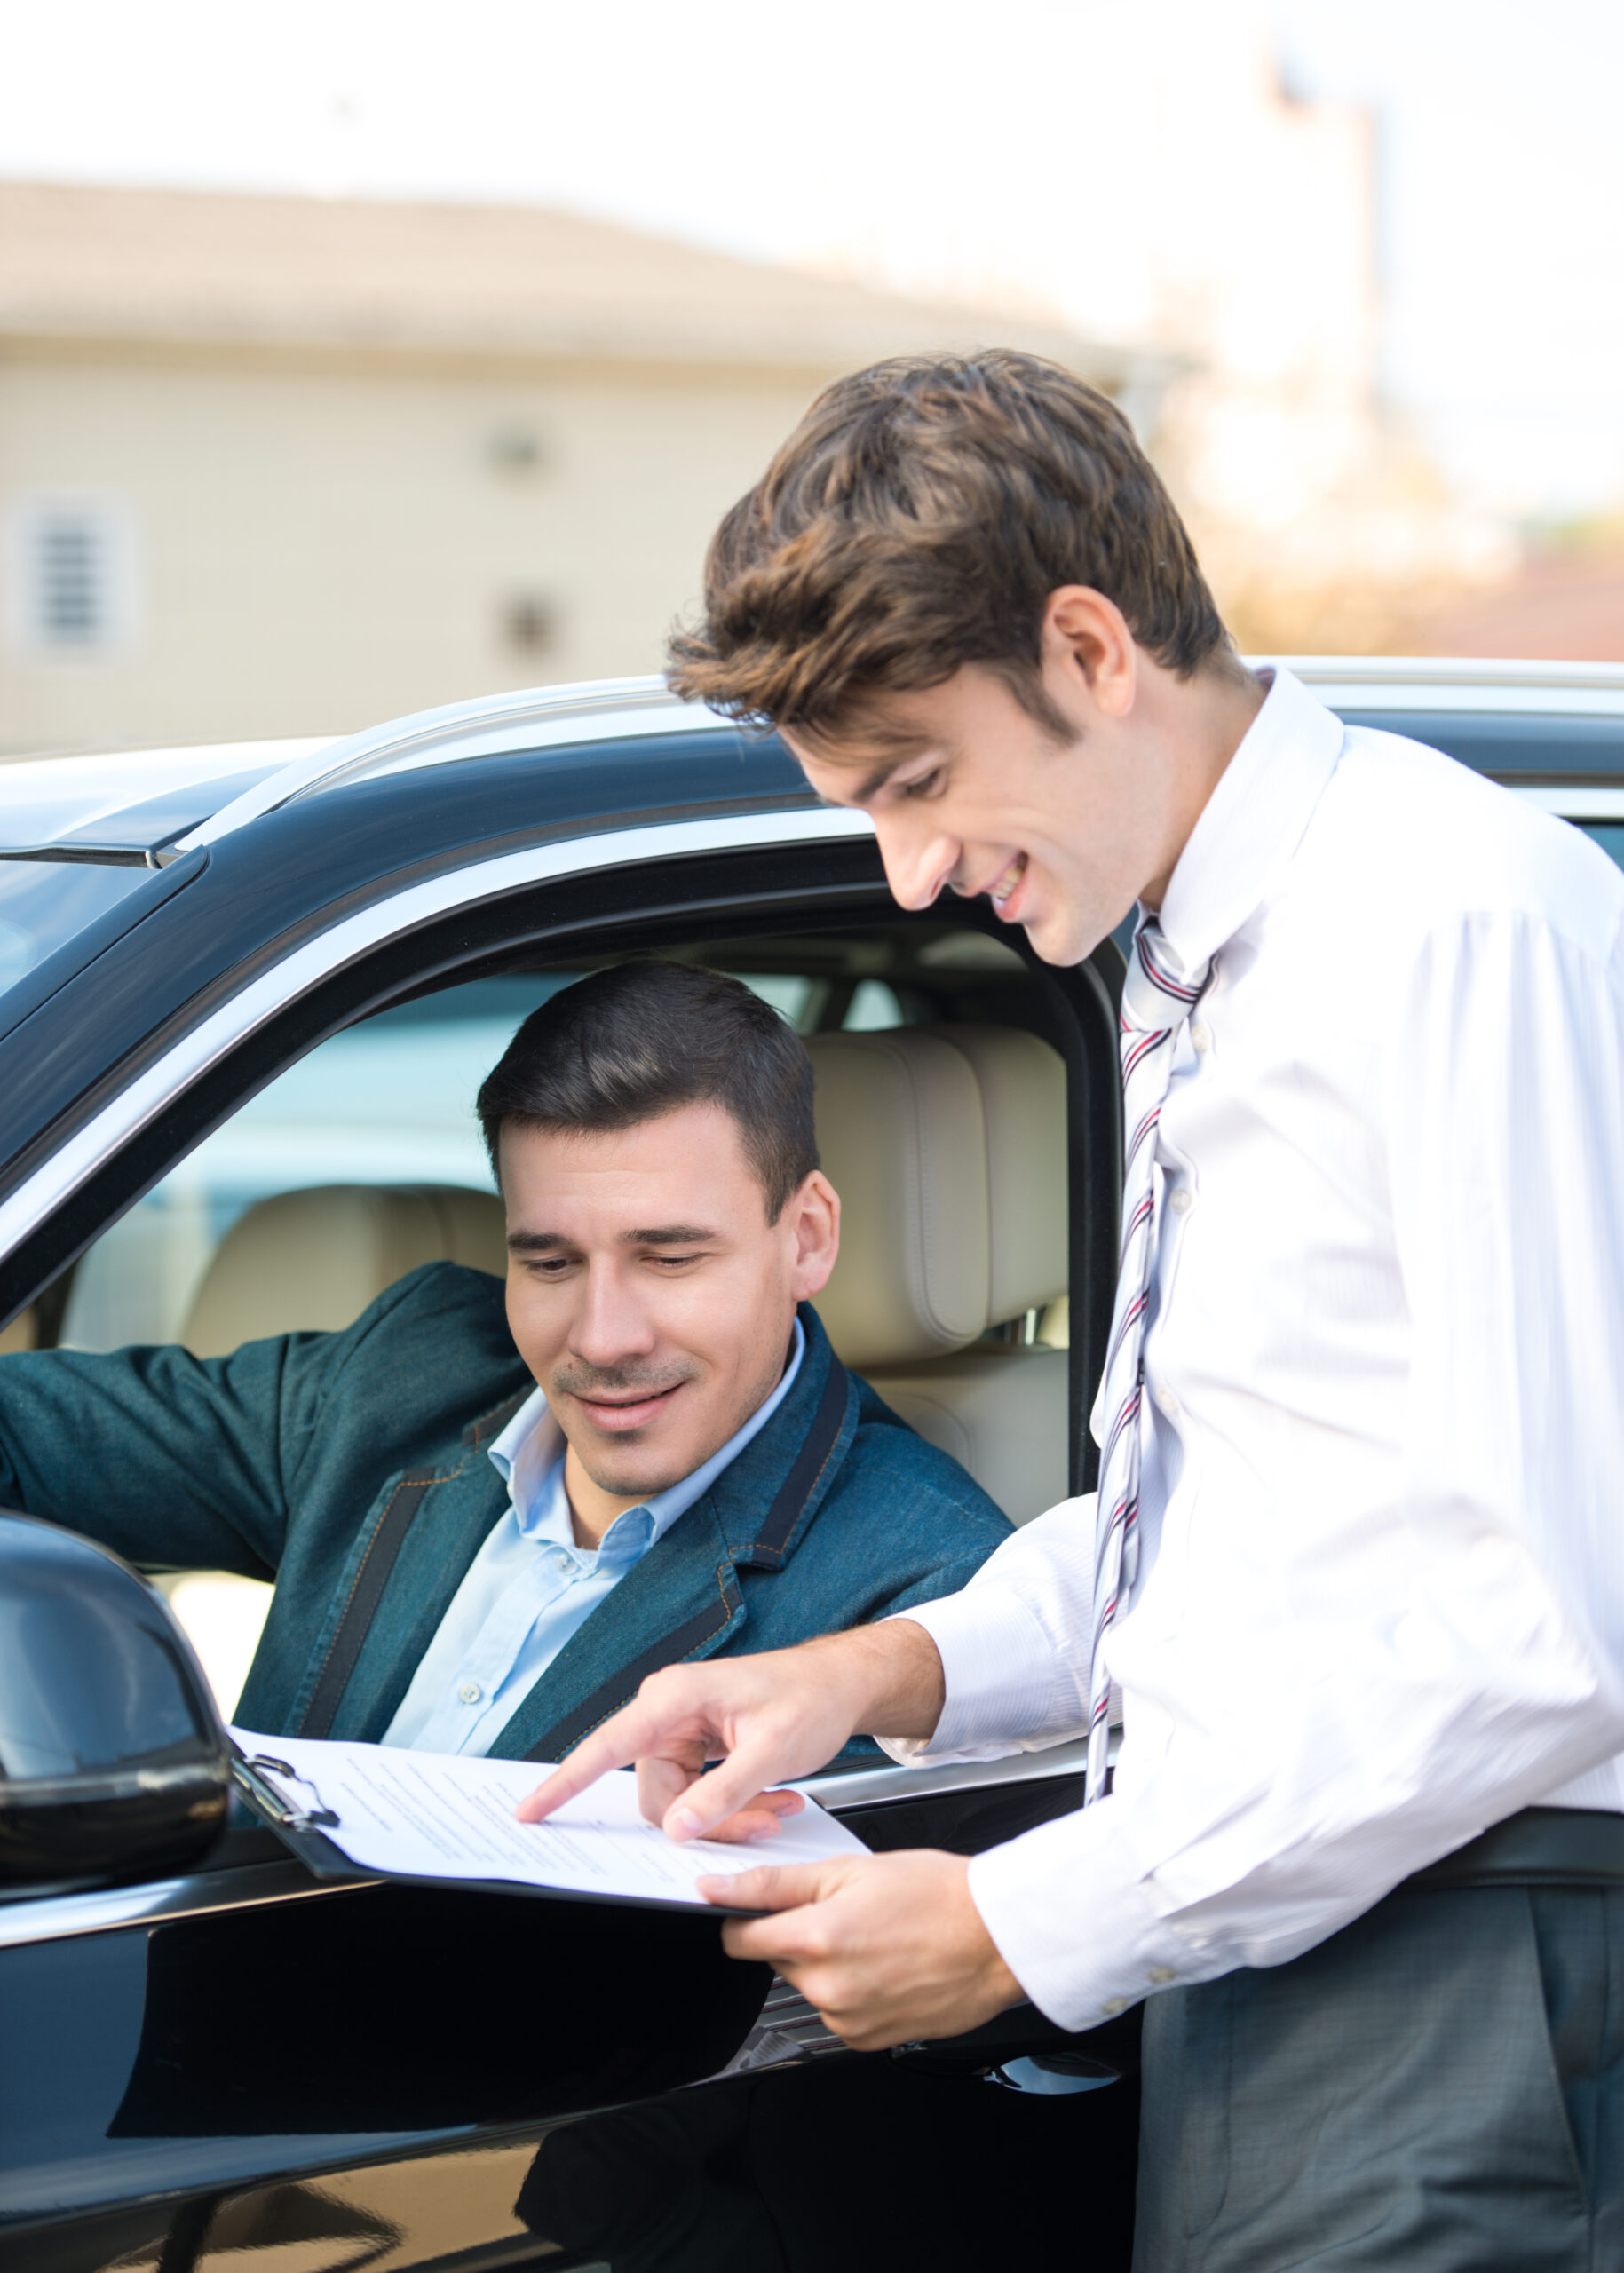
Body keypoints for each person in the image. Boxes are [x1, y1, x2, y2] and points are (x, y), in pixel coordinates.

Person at [524, 354, 1624, 2265]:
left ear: (1091, 647)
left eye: (919, 779)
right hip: (1290, 1934)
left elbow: (1553, 1608)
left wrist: (1024, 1922)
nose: (910, 867)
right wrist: (869, 1675)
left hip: (1473, 1957)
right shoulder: (1182, 959)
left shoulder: (1450, 924)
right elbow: (1230, 1521)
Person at [0, 959, 1010, 1765]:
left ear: (807, 1237)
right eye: (550, 1261)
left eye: (669, 1257)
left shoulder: (928, 1592)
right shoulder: (407, 1371)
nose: (604, 1337)